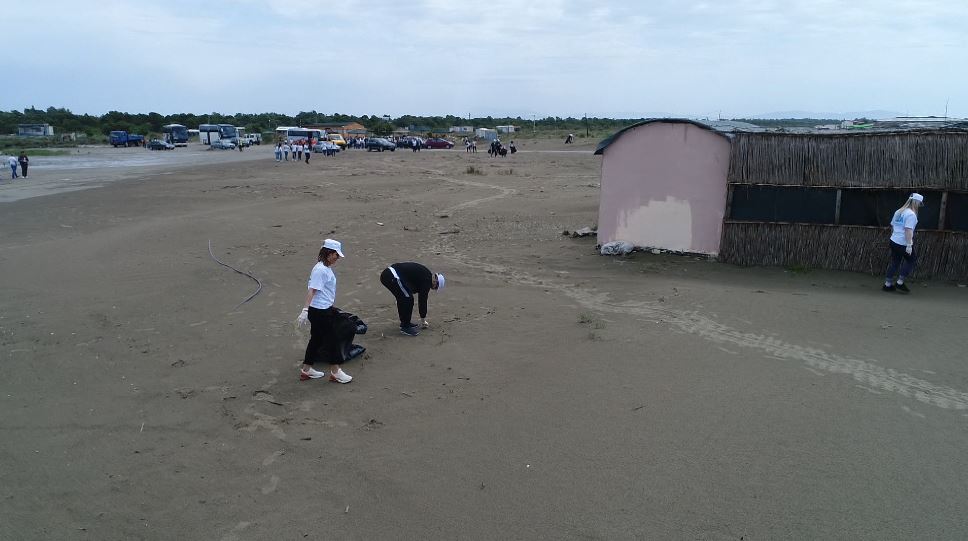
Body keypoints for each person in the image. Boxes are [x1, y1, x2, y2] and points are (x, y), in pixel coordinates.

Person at [296, 239, 354, 382]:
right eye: (336, 255)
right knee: (332, 339)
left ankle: (307, 369)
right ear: (328, 253)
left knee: (316, 339)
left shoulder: (323, 268)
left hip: (322, 309)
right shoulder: (321, 270)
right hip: (320, 311)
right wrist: (305, 310)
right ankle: (336, 372)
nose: (337, 258)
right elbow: (312, 290)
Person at [379, 262, 445, 336]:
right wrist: (423, 320)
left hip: (389, 274)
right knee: (408, 298)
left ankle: (405, 323)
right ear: (436, 282)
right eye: (436, 287)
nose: (433, 289)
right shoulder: (427, 280)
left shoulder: (426, 275)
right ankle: (405, 326)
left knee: (405, 297)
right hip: (392, 275)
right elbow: (422, 301)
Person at [883, 193, 923, 293]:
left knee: (895, 262)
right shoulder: (911, 215)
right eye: (919, 203)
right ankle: (900, 282)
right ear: (916, 202)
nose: (919, 206)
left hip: (894, 240)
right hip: (903, 243)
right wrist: (909, 245)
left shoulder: (899, 211)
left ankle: (887, 284)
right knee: (911, 260)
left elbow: (892, 226)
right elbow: (908, 230)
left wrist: (895, 236)